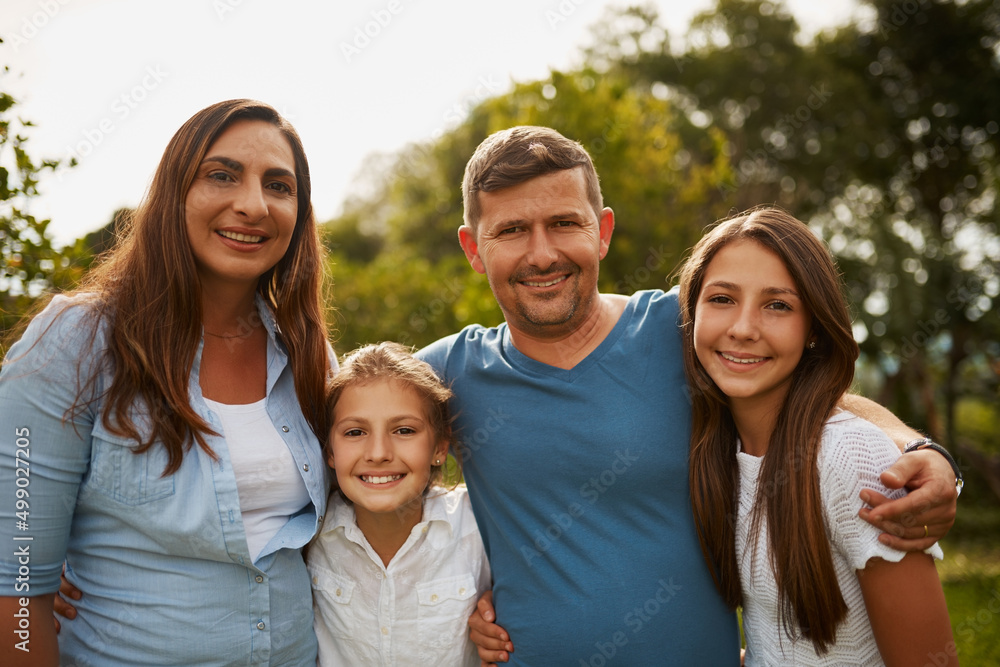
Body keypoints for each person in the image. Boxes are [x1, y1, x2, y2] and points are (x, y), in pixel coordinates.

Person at [416, 126, 962, 665]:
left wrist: (921, 453)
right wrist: (460, 593)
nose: (542, 254)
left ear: (602, 231)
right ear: (473, 248)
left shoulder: (691, 326)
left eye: (564, 223)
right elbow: (353, 452)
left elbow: (814, 394)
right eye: (512, 230)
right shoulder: (444, 376)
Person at [0, 99, 332, 666]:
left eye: (279, 186)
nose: (253, 205)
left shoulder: (308, 355)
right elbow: (18, 586)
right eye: (221, 175)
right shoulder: (75, 343)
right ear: (174, 193)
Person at [679, 207, 956, 665]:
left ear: (813, 329)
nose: (743, 328)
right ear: (691, 312)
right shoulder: (718, 448)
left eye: (778, 305)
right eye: (722, 298)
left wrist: (934, 454)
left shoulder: (849, 456)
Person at [308, 342, 490, 666]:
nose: (378, 453)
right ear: (330, 452)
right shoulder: (309, 533)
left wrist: (498, 607)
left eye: (404, 430)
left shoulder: (479, 527)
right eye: (354, 432)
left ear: (439, 447)